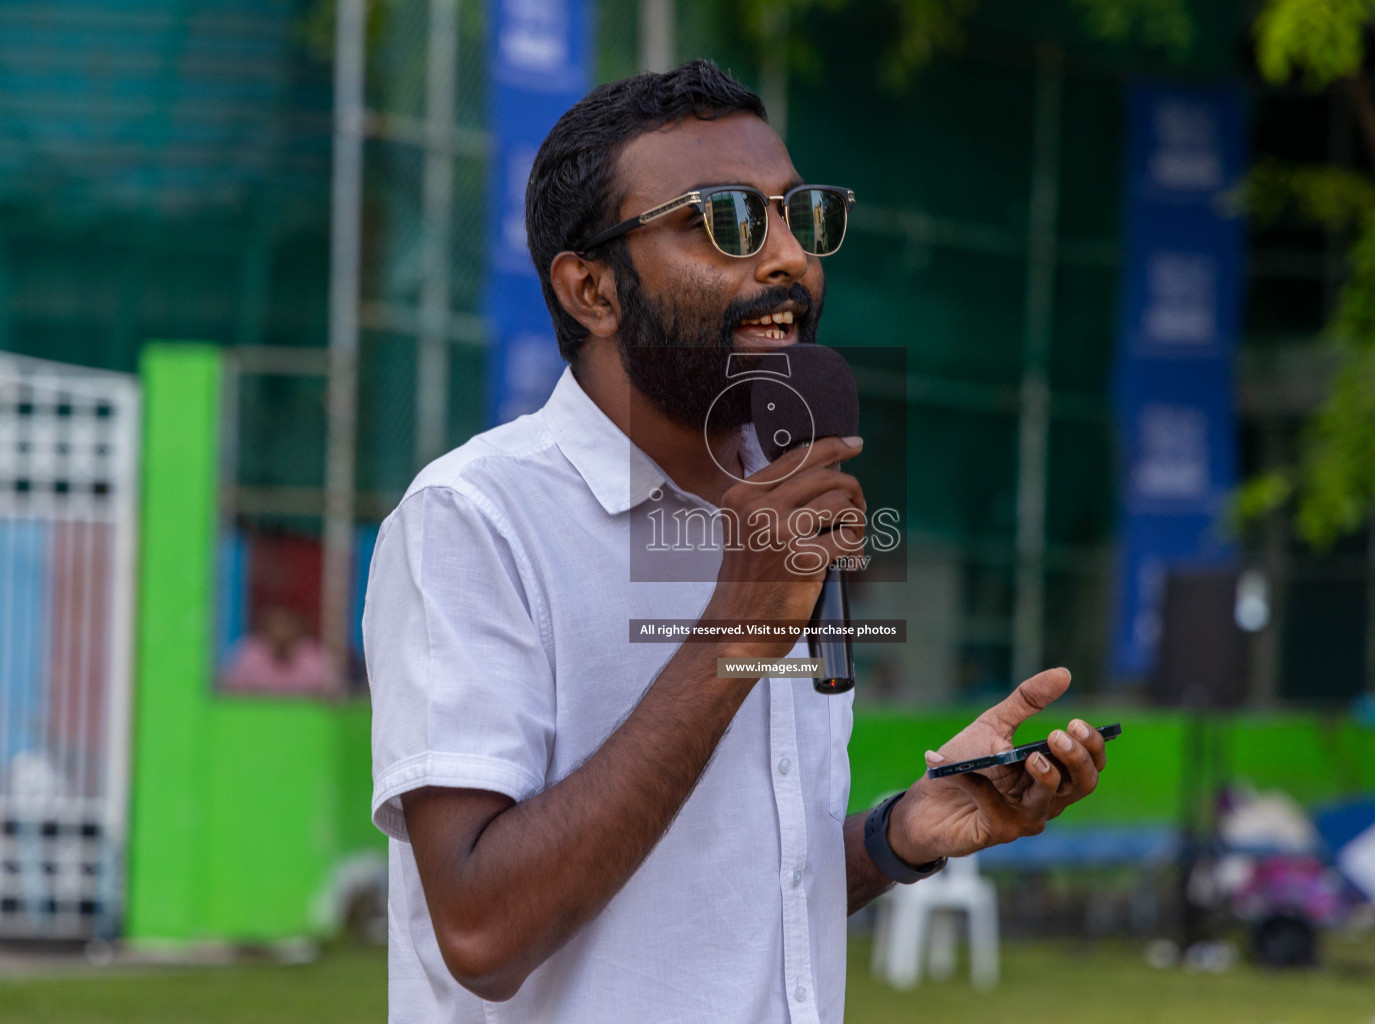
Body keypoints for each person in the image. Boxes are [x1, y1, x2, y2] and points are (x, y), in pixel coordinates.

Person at [363, 59, 1110, 1023]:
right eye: (725, 222)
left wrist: (898, 835)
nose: (788, 258)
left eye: (801, 216)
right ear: (592, 289)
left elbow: (704, 896)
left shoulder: (786, 499)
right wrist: (737, 633)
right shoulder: (475, 522)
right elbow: (482, 934)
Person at [221, 605, 335, 695]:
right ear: (264, 630)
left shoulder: (313, 656)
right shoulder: (248, 653)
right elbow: (230, 695)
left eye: (287, 625)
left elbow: (332, 693)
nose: (281, 632)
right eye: (276, 625)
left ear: (299, 630)